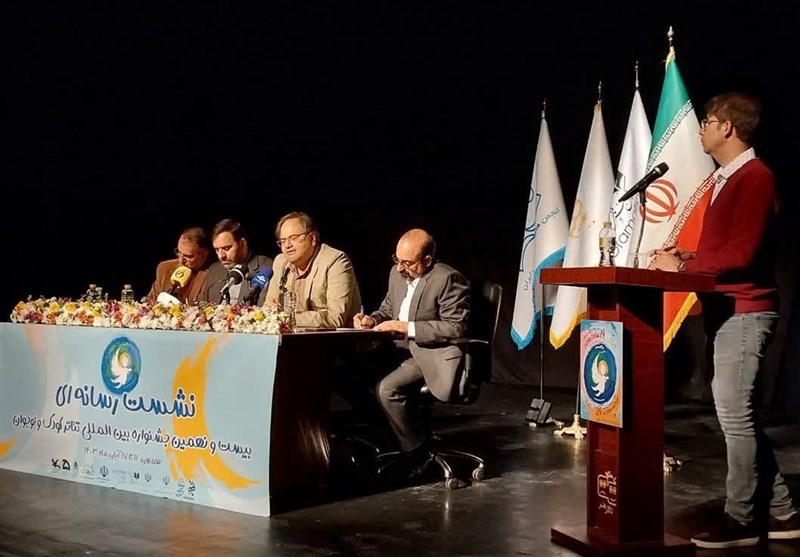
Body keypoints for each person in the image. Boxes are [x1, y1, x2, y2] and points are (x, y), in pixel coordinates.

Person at [653, 92, 798, 548]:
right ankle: (782, 512)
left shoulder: (755, 177)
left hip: (745, 311)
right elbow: (725, 250)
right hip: (726, 310)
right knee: (739, 418)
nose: (701, 129)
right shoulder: (726, 178)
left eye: (707, 121)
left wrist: (683, 269)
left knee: (736, 418)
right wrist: (689, 255)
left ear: (728, 127)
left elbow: (741, 254)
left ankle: (741, 521)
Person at [353, 229, 469, 479]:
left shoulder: (447, 278)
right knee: (348, 372)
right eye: (397, 260)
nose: (399, 268)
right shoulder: (396, 274)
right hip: (395, 349)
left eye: (407, 263)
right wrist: (371, 320)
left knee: (387, 389)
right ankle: (397, 437)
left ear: (427, 260)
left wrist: (407, 328)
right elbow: (387, 309)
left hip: (428, 352)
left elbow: (455, 327)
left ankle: (416, 451)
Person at [264, 211, 361, 328]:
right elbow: (271, 307)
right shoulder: (281, 262)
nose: (287, 245)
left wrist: (286, 318)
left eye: (293, 238)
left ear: (313, 238)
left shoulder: (335, 261)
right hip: (289, 336)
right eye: (282, 241)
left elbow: (335, 318)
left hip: (332, 338)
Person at [205, 218, 273, 305]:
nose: (221, 256)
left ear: (242, 244)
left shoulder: (265, 267)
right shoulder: (214, 270)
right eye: (217, 250)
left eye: (226, 248)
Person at [146, 226, 212, 304]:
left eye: (188, 256)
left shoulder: (214, 274)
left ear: (204, 254)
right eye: (179, 252)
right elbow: (149, 302)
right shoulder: (165, 268)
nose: (181, 261)